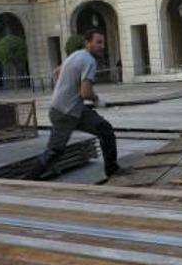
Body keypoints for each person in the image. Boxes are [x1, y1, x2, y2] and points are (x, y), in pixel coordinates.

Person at [30, 29, 120, 180]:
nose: (102, 46)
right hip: (65, 113)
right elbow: (85, 93)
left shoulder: (75, 55)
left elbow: (56, 72)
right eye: (98, 42)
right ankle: (30, 179)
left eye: (103, 42)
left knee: (105, 129)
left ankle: (112, 169)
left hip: (71, 109)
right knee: (55, 151)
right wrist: (97, 100)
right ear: (87, 43)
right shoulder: (89, 61)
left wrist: (66, 90)